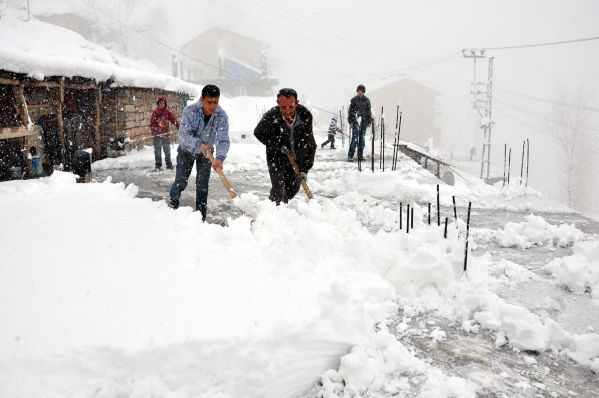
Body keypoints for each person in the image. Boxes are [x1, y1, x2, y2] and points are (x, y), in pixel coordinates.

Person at [168, 85, 230, 221]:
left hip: (206, 154)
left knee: (202, 186)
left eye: (216, 102)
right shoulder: (190, 111)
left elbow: (223, 140)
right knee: (180, 181)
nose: (213, 106)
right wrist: (198, 144)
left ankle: (200, 218)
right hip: (186, 150)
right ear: (202, 99)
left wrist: (220, 158)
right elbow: (183, 135)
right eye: (210, 102)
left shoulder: (221, 115)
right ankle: (172, 205)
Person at [254, 88, 317, 204]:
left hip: (295, 159)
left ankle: (274, 209)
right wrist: (277, 145)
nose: (287, 111)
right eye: (283, 107)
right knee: (279, 189)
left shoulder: (305, 115)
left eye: (291, 107)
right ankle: (276, 210)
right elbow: (258, 132)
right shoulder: (272, 115)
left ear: (296, 103)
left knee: (293, 189)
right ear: (278, 104)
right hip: (276, 158)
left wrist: (304, 169)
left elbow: (309, 143)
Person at [150, 95, 180, 170]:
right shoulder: (155, 112)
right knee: (157, 151)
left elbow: (173, 119)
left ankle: (169, 165)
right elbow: (152, 124)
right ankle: (158, 165)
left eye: (163, 103)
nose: (162, 105)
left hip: (166, 135)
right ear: (158, 103)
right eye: (160, 103)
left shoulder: (167, 112)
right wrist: (157, 129)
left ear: (165, 104)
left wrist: (178, 125)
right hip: (157, 136)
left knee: (167, 151)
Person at [347, 84, 372, 162]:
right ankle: (350, 156)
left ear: (364, 92)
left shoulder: (367, 100)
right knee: (354, 139)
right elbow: (350, 112)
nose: (360, 93)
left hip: (363, 123)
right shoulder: (354, 100)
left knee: (361, 139)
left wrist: (369, 121)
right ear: (357, 92)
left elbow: (368, 112)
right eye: (358, 91)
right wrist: (350, 121)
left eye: (361, 91)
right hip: (355, 122)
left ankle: (360, 156)